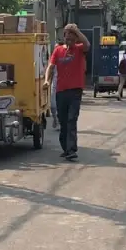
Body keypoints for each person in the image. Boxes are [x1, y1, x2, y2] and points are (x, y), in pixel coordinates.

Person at [44, 23, 90, 161]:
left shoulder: (80, 49)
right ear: (64, 37)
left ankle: (71, 149)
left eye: (72, 36)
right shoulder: (58, 50)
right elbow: (51, 67)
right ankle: (66, 148)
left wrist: (76, 30)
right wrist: (47, 81)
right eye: (67, 36)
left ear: (76, 39)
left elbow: (87, 44)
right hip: (61, 91)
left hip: (75, 91)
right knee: (63, 121)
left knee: (71, 119)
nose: (69, 39)